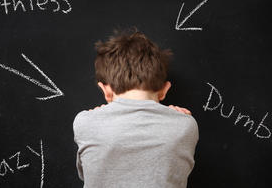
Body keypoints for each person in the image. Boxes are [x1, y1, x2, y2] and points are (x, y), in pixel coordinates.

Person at [73, 29, 199, 188]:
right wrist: (180, 118)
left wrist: (93, 120)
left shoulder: (85, 123)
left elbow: (88, 175)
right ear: (164, 90)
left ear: (105, 90)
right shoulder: (186, 126)